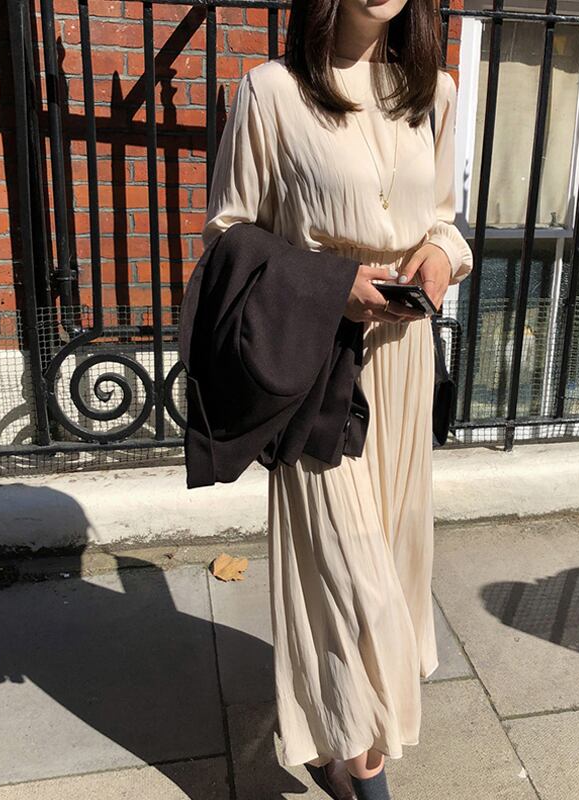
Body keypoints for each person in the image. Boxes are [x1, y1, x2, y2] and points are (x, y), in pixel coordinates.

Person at [201, 0, 473, 796]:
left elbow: (445, 223)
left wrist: (438, 258)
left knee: (383, 568)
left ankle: (336, 744)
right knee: (362, 592)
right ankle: (368, 770)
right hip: (319, 369)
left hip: (402, 365)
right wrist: (334, 287)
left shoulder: (436, 92)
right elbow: (228, 237)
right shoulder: (273, 92)